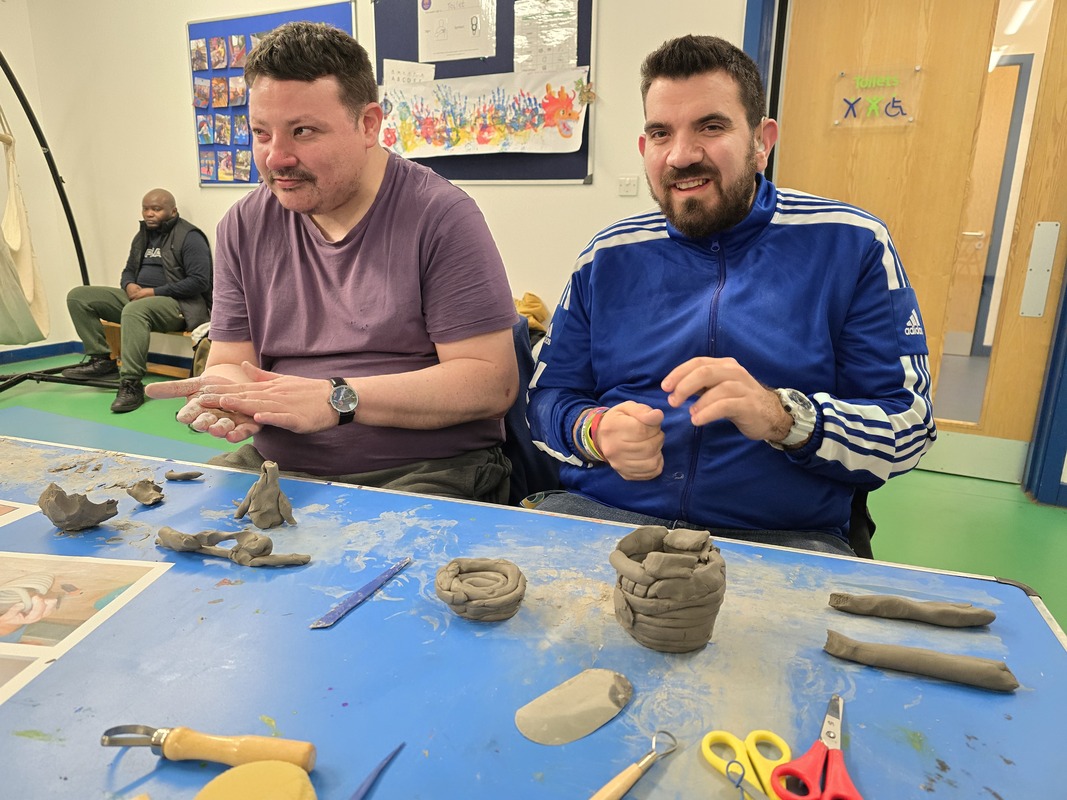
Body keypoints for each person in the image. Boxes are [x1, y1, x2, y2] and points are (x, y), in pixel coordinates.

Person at [526, 35, 936, 555]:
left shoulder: (852, 244)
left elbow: (909, 427)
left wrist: (785, 419)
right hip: (603, 521)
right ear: (643, 147)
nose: (681, 155)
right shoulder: (606, 257)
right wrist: (594, 431)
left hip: (781, 539)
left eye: (711, 126)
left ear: (762, 141)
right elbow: (545, 402)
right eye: (660, 133)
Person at [146, 22, 518, 503]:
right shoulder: (242, 224)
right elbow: (232, 360)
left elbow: (490, 383)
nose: (276, 158)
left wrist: (337, 399)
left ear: (367, 125)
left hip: (425, 470)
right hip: (276, 463)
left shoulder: (440, 216)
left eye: (303, 131)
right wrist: (228, 394)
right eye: (261, 133)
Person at [62, 189, 212, 413]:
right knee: (79, 296)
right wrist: (129, 284)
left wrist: (153, 291)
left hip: (179, 305)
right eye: (146, 208)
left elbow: (200, 281)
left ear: (173, 211)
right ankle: (103, 360)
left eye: (156, 209)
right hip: (139, 298)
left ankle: (131, 383)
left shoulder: (190, 237)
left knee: (135, 309)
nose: (149, 214)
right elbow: (129, 270)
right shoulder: (142, 236)